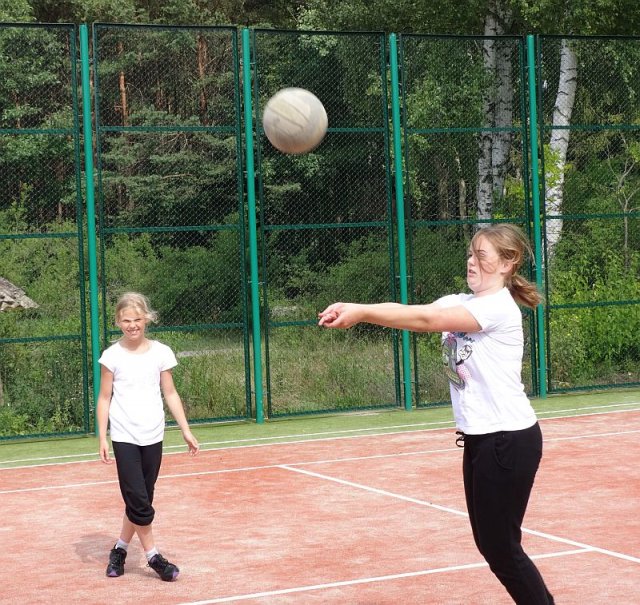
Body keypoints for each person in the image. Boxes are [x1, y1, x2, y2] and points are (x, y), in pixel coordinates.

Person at [318, 224, 554, 605]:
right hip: (482, 440)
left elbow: (428, 322)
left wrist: (362, 314)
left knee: (502, 549)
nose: (471, 262)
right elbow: (417, 312)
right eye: (470, 254)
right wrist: (355, 307)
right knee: (493, 546)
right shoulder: (463, 301)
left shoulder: (497, 307)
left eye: (481, 256)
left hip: (508, 439)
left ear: (507, 263)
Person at [97, 292, 199, 582]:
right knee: (139, 500)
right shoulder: (111, 356)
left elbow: (171, 393)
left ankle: (119, 549)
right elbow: (104, 398)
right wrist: (102, 437)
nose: (132, 325)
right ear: (118, 322)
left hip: (153, 435)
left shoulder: (161, 352)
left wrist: (186, 429)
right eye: (126, 320)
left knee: (141, 498)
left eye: (137, 319)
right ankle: (154, 557)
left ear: (147, 319)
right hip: (124, 436)